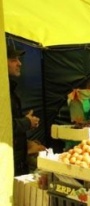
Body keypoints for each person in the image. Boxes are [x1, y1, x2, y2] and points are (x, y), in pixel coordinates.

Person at [7, 44, 40, 176]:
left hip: (16, 160)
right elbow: (3, 126)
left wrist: (27, 122)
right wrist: (26, 122)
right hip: (8, 165)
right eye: (13, 59)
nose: (19, 63)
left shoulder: (8, 90)